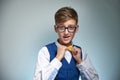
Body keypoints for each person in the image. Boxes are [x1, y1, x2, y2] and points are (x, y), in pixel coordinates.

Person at [33, 7, 99, 80]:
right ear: (55, 28)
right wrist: (57, 58)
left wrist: (80, 61)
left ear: (76, 29)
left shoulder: (81, 52)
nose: (66, 32)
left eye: (71, 27)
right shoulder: (45, 51)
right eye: (61, 27)